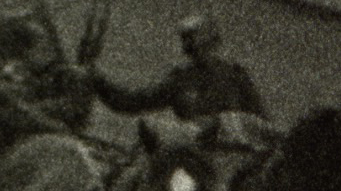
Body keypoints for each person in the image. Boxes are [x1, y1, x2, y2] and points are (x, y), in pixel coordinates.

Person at [90, 15, 268, 122]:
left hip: (231, 159)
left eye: (205, 45)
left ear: (215, 44)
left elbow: (261, 122)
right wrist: (99, 82)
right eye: (193, 48)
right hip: (191, 156)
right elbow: (134, 102)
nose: (201, 53)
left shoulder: (236, 77)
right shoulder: (180, 79)